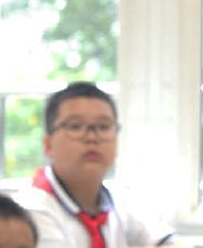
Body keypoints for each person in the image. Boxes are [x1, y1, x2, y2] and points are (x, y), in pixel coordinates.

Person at [13, 82, 178, 248]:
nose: (92, 137)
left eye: (104, 127)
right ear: (48, 145)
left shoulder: (120, 200)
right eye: (75, 126)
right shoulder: (29, 210)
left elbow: (170, 243)